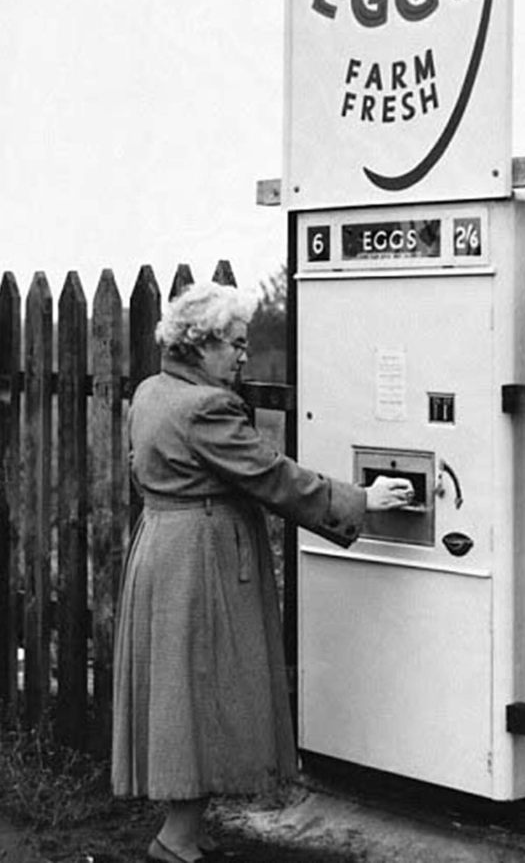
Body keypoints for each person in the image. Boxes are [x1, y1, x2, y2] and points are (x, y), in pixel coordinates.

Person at [111, 281, 413, 863]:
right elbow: (273, 477)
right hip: (199, 559)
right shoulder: (205, 407)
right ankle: (175, 842)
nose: (244, 356)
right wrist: (362, 500)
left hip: (161, 546)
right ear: (200, 344)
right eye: (235, 344)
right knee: (201, 692)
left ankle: (186, 831)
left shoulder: (152, 391)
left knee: (182, 691)